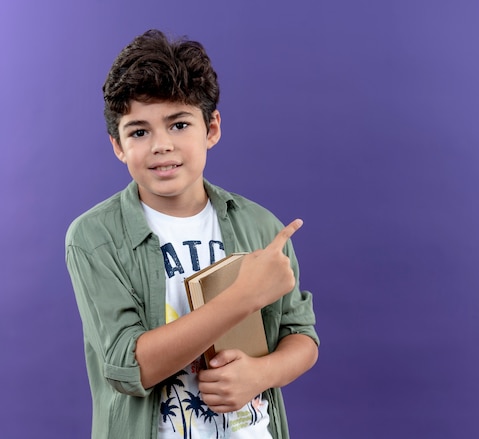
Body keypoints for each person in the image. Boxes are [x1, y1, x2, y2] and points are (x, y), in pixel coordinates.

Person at [65, 29, 319, 439]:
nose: (161, 145)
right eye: (139, 132)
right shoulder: (94, 238)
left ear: (212, 128)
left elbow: (302, 338)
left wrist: (260, 374)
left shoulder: (259, 226)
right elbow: (131, 367)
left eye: (179, 124)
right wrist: (242, 297)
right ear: (118, 145)